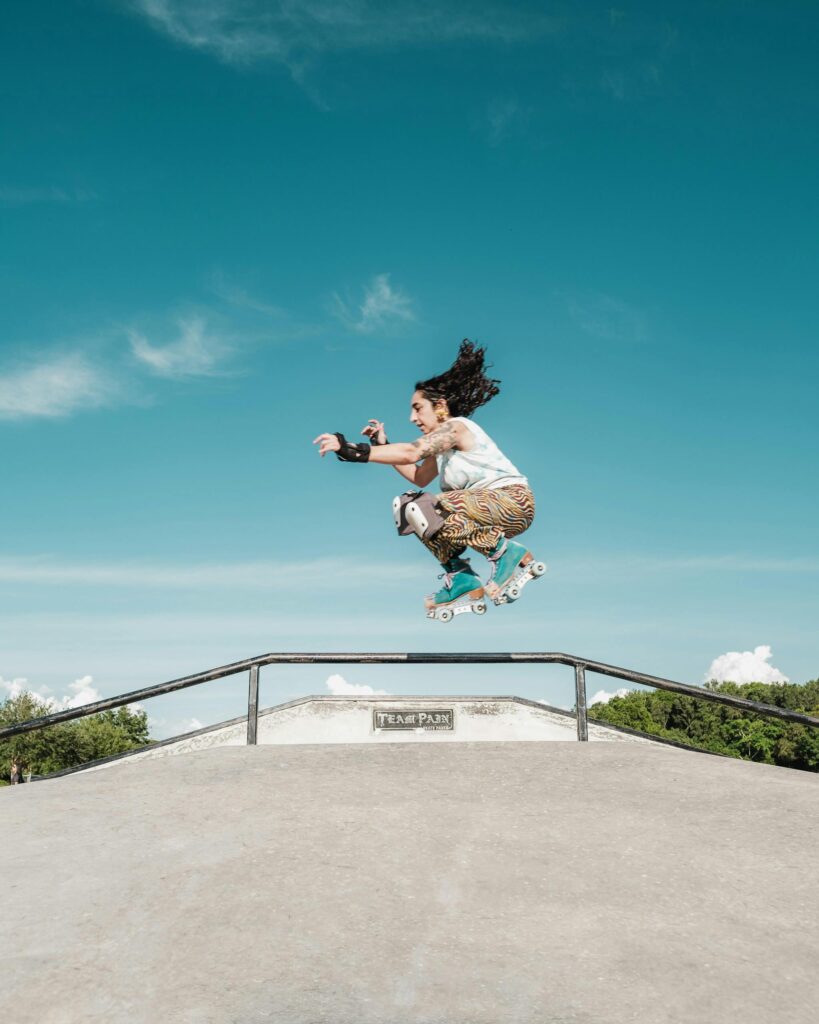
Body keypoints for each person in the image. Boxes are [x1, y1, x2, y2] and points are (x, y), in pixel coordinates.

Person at [314, 340, 545, 621]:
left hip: (511, 500)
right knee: (407, 505)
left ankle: (503, 552)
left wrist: (353, 450)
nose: (412, 418)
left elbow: (412, 451)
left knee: (429, 506)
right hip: (485, 509)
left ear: (440, 406)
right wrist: (383, 444)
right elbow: (419, 474)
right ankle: (461, 576)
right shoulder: (442, 449)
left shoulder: (456, 428)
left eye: (417, 408)